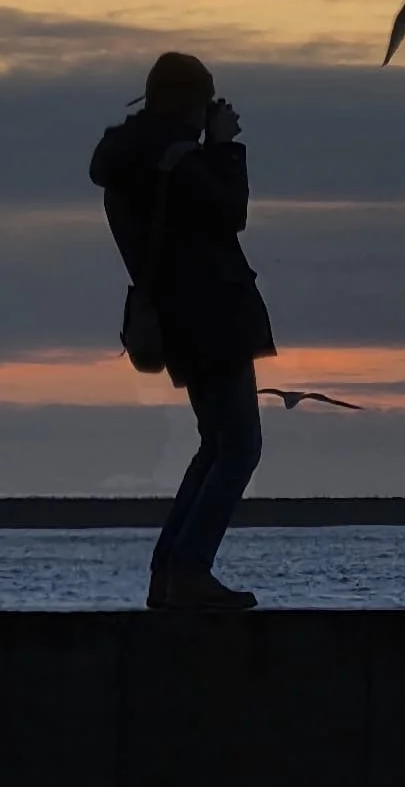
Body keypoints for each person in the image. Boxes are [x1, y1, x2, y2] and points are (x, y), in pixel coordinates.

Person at [90, 52, 275, 610]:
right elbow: (229, 211)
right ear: (188, 103)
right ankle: (188, 571)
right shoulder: (171, 157)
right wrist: (222, 146)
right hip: (210, 312)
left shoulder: (135, 157)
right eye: (204, 101)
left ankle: (169, 574)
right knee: (240, 446)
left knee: (217, 442)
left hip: (179, 316)